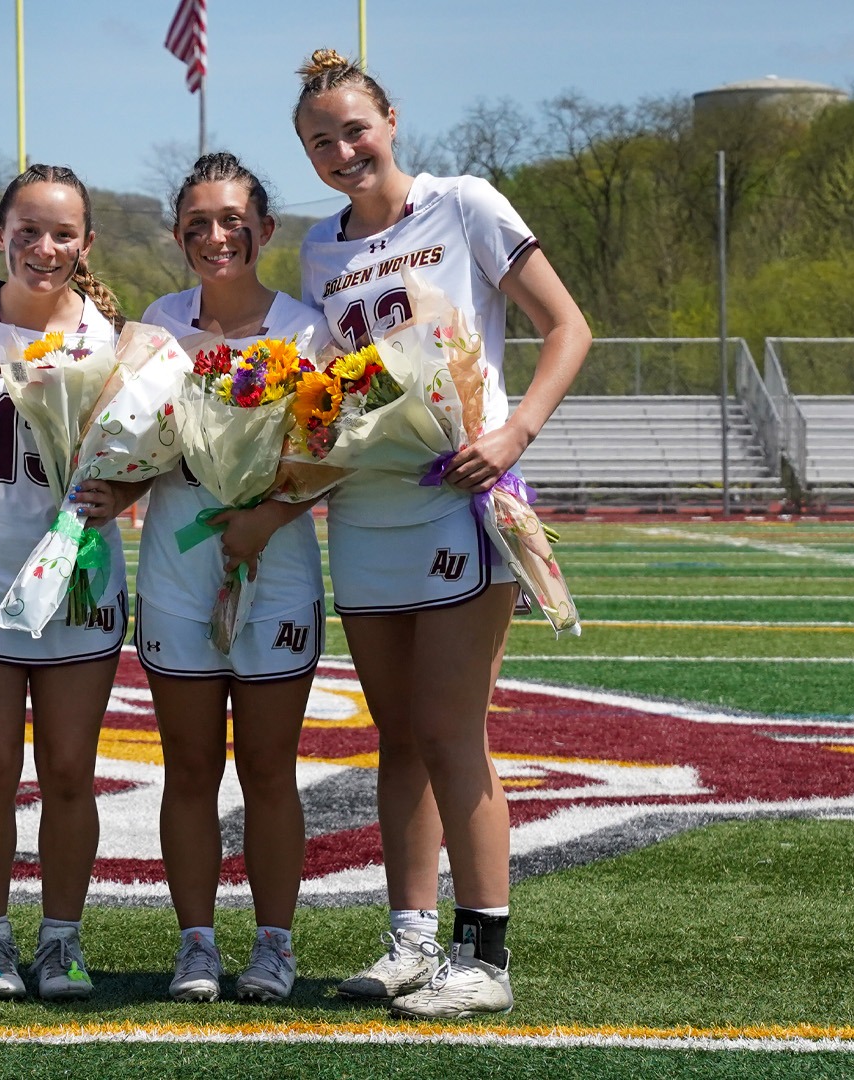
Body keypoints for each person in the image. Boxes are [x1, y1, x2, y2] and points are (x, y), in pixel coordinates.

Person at [290, 48, 591, 1019]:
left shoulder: (464, 203)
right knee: (400, 738)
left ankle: (488, 955)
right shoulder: (315, 251)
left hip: (463, 498)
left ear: (391, 119)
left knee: (455, 731)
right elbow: (337, 389)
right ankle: (413, 939)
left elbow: (569, 328)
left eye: (354, 128)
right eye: (320, 141)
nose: (343, 150)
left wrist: (512, 431)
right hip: (367, 515)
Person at [0, 164, 133, 1002]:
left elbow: (145, 459)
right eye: (28, 229)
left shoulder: (111, 338)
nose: (43, 248)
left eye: (62, 234)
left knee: (70, 772)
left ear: (86, 243)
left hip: (78, 580)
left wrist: (126, 491)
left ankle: (60, 941)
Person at [130, 153, 330, 1004]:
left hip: (278, 571)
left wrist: (266, 518)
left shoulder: (309, 327)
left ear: (265, 230)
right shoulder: (156, 325)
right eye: (197, 224)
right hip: (177, 569)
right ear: (178, 236)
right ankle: (197, 944)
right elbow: (132, 441)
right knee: (187, 767)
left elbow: (335, 456)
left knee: (270, 769)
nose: (216, 237)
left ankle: (275, 946)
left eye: (232, 221)